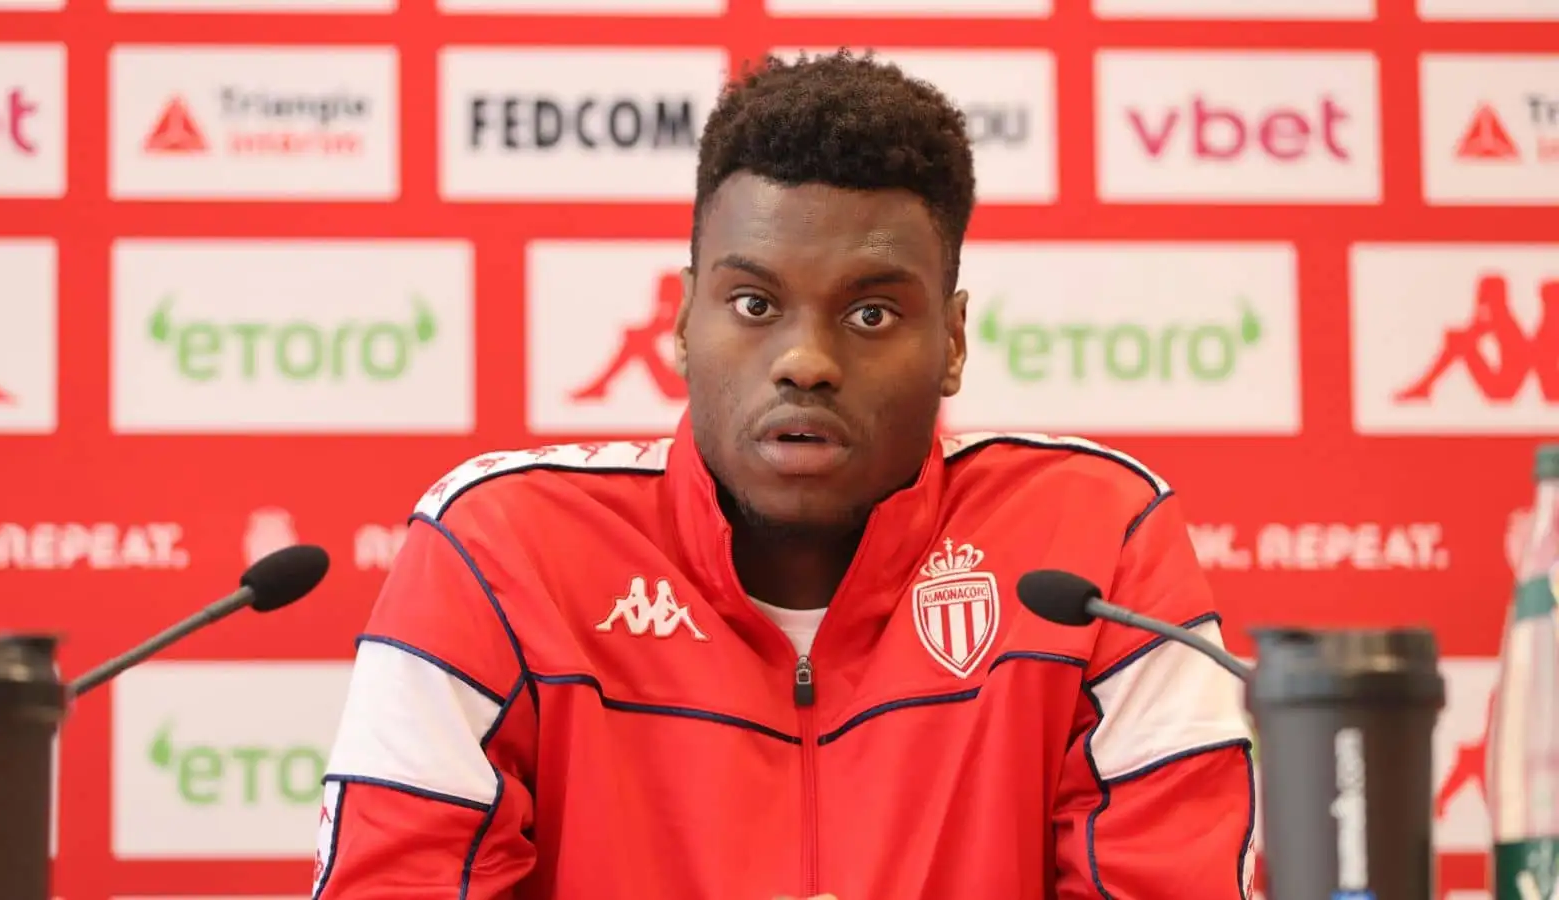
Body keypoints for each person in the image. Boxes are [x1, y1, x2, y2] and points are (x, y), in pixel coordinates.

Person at [311, 49, 1255, 900]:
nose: (807, 361)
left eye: (873, 314)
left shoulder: (1094, 543)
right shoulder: (500, 551)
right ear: (683, 323)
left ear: (954, 341)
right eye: (755, 301)